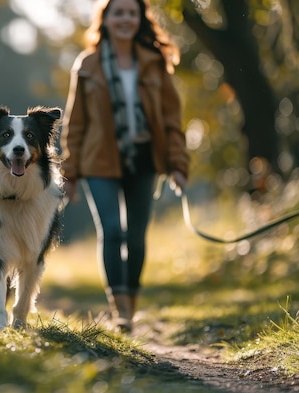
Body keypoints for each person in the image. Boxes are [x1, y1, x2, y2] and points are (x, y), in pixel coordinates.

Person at [60, 0, 189, 332]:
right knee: (112, 232)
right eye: (118, 13)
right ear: (105, 19)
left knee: (136, 236)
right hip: (98, 160)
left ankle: (130, 304)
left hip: (145, 159)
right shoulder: (87, 64)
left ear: (140, 19)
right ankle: (120, 310)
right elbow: (74, 124)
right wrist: (69, 172)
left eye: (131, 13)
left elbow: (172, 119)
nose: (125, 19)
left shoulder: (154, 63)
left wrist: (178, 164)